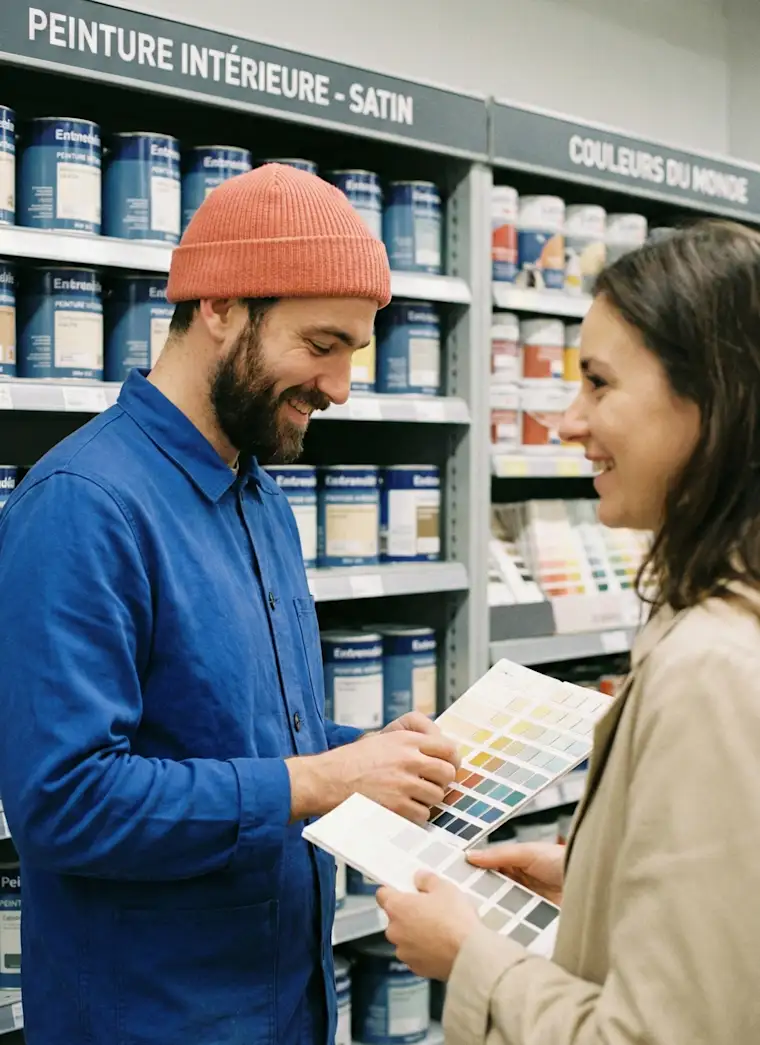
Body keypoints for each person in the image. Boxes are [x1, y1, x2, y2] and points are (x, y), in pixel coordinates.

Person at [0, 164, 459, 1045]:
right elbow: (64, 801)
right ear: (220, 307)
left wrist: (367, 758)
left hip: (283, 1008)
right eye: (322, 344)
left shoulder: (261, 498)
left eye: (354, 354)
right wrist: (321, 778)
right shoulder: (82, 505)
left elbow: (234, 744)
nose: (340, 387)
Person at [377, 218, 760, 1044]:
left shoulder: (713, 670)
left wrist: (469, 956)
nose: (567, 420)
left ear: (711, 399)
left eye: (598, 383)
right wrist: (601, 886)